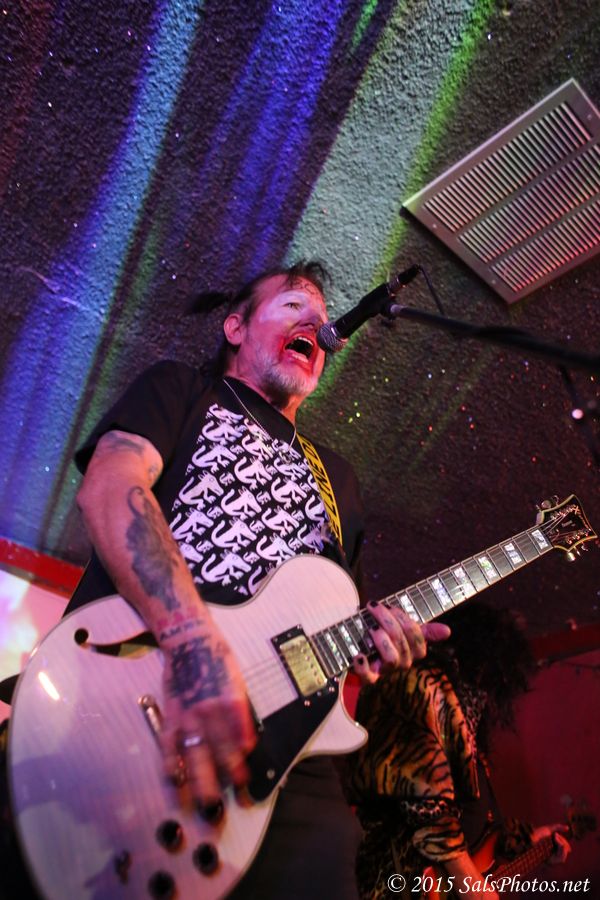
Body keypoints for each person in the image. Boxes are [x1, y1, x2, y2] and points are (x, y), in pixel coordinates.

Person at [57, 259, 449, 899]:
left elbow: (336, 626)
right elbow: (109, 489)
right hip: (139, 694)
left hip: (290, 759)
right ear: (236, 328)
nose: (316, 322)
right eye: (294, 305)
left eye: (321, 317)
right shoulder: (182, 391)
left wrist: (374, 647)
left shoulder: (339, 481)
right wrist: (193, 643)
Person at [345, 603, 571, 900]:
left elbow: (478, 832)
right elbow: (424, 805)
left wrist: (531, 840)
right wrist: (472, 886)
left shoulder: (467, 739)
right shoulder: (424, 690)